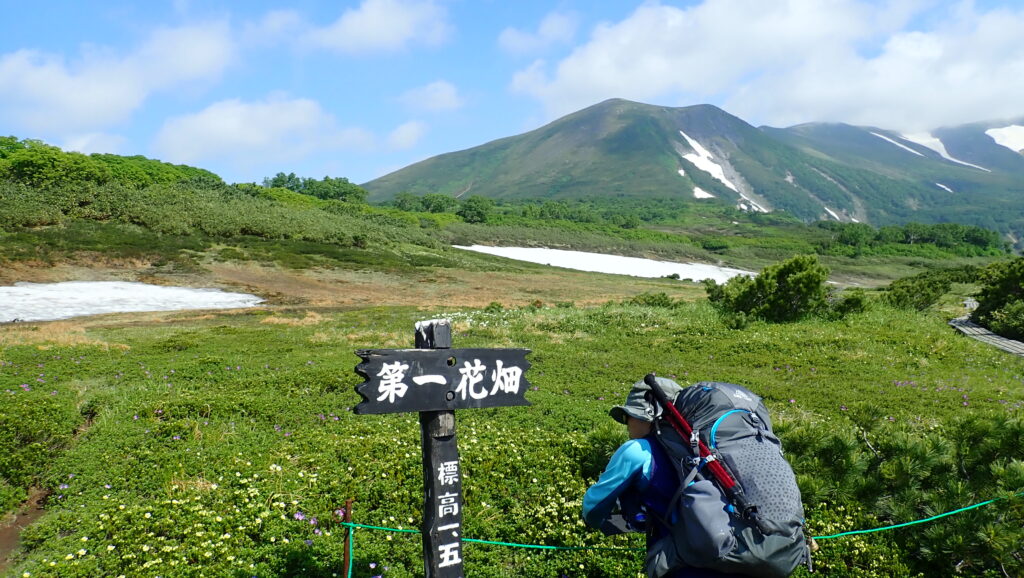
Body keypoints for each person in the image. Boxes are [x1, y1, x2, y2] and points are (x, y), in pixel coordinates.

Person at [582, 377, 744, 578]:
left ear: (645, 417)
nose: (626, 424)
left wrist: (610, 522)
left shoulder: (637, 450)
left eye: (628, 417)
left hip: (683, 565)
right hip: (738, 558)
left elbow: (592, 509)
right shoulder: (708, 451)